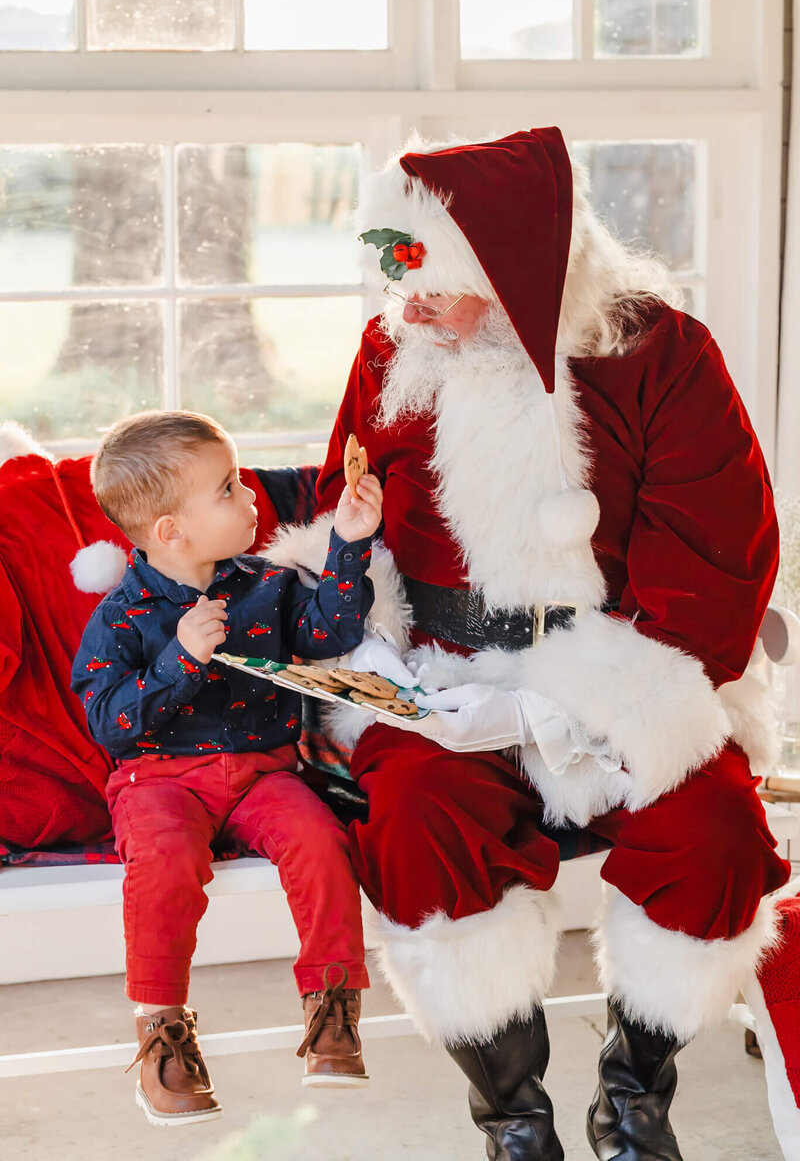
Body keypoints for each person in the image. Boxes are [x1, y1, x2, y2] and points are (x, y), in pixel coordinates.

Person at [263, 127, 792, 1160]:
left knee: (715, 835)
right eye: (397, 283)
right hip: (438, 672)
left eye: (430, 287)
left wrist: (563, 703)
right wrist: (372, 664)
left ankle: (632, 1094)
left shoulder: (658, 352)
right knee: (414, 818)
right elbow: (347, 513)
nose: (403, 308)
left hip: (622, 665)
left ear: (516, 277)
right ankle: (513, 1118)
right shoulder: (394, 347)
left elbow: (719, 555)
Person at [71, 409, 382, 1127]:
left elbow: (332, 630)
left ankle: (333, 1009)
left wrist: (348, 544)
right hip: (159, 781)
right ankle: (161, 1030)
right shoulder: (121, 618)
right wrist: (180, 658)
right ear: (171, 532)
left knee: (320, 839)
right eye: (229, 487)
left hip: (262, 773)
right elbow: (108, 722)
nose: (251, 499)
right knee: (162, 861)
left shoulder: (264, 585)